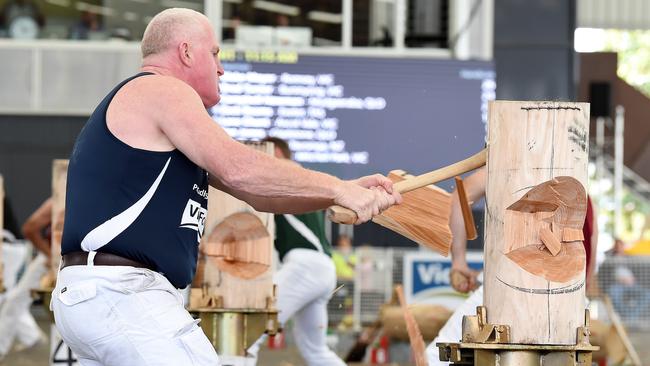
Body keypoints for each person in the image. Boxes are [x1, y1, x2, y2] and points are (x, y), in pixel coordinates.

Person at [50, 8, 401, 366]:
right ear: (186, 52)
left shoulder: (157, 113)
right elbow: (240, 168)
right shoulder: (163, 89)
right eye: (215, 54)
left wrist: (337, 192)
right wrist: (340, 188)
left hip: (105, 295)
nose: (221, 68)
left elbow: (258, 194)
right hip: (122, 294)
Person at [426, 167, 598, 365]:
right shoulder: (585, 197)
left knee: (434, 359)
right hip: (570, 308)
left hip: (510, 295)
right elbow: (587, 265)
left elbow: (458, 199)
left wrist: (459, 262)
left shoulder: (509, 167)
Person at [246, 136, 347, 365]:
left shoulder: (284, 174)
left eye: (264, 154)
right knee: (317, 351)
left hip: (305, 266)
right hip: (322, 268)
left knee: (247, 333)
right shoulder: (299, 179)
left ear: (277, 155)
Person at [0, 198, 51, 360]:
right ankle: (31, 337)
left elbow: (30, 228)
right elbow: (30, 228)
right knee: (13, 298)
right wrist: (51, 256)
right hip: (50, 258)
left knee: (9, 297)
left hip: (12, 248)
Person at [605, 238, 650, 320]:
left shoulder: (629, 257)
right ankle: (626, 315)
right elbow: (606, 255)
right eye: (617, 246)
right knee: (613, 292)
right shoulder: (610, 257)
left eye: (620, 245)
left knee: (647, 294)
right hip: (618, 285)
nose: (619, 247)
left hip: (632, 284)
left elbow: (638, 270)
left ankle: (631, 316)